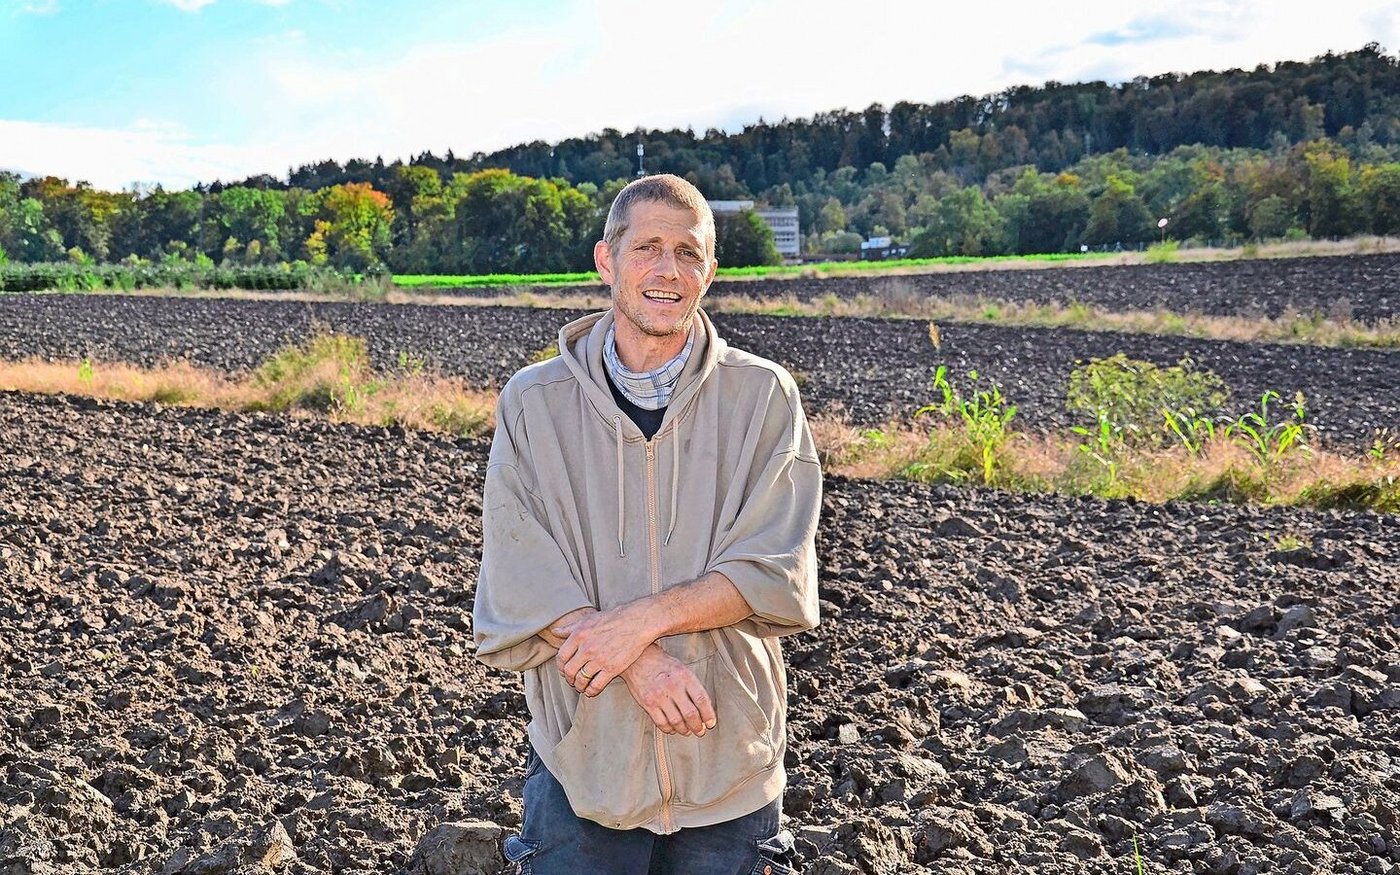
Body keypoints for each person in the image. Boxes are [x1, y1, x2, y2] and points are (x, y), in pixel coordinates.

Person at [472, 173, 821, 874]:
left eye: (689, 253)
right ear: (607, 259)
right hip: (584, 765)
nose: (668, 270)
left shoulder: (762, 395)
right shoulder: (533, 404)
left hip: (728, 762)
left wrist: (641, 620)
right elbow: (520, 576)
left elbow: (772, 567)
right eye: (648, 248)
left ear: (711, 270)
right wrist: (641, 658)